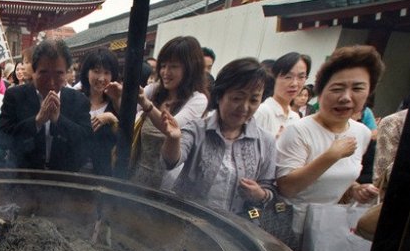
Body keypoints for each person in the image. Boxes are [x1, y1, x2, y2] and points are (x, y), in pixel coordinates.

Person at [276, 45, 384, 251]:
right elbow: (287, 187)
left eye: (357, 89)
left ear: (369, 93)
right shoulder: (298, 131)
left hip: (333, 229)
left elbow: (342, 181)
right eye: (337, 88)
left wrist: (355, 190)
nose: (346, 97)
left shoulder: (361, 133)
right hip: (293, 229)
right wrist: (331, 155)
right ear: (320, 92)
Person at [160, 57, 277, 216]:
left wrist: (259, 194)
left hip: (235, 229)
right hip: (189, 223)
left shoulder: (266, 141)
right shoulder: (197, 130)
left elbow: (269, 188)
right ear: (219, 96)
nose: (244, 107)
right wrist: (173, 139)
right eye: (237, 98)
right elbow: (170, 161)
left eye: (254, 100)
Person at [0, 38, 91, 171]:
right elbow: (2, 138)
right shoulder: (15, 96)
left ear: (66, 73)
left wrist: (59, 120)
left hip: (64, 179)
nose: (51, 82)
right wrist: (37, 121)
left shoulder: (78, 101)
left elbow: (86, 144)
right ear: (33, 71)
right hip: (24, 177)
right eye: (44, 73)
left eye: (58, 74)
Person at [131, 36, 209, 188]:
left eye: (173, 66)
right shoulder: (153, 90)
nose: (165, 72)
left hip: (166, 183)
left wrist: (147, 106)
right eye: (163, 66)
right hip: (137, 174)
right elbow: (127, 113)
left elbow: (171, 127)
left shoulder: (198, 100)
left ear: (190, 68)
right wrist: (119, 97)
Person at [78, 48, 120, 176]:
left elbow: (126, 138)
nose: (101, 78)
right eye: (96, 71)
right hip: (75, 171)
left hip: (103, 175)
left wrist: (112, 119)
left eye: (107, 73)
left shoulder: (116, 103)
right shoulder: (75, 99)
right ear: (86, 73)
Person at [254, 52, 310, 139]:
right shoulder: (262, 112)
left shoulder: (295, 117)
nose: (294, 84)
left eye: (301, 77)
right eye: (288, 77)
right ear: (274, 77)